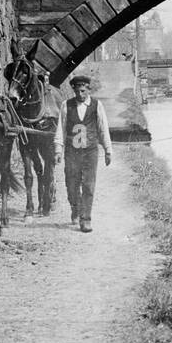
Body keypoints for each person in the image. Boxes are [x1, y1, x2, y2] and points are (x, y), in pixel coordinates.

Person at [54, 74, 112, 233]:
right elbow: (60, 127)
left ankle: (85, 219)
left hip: (90, 152)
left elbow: (103, 128)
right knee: (72, 186)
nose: (80, 94)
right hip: (72, 153)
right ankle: (75, 208)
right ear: (73, 90)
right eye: (78, 91)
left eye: (83, 91)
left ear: (88, 90)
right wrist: (58, 149)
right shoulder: (66, 105)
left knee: (88, 185)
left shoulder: (96, 105)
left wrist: (108, 150)